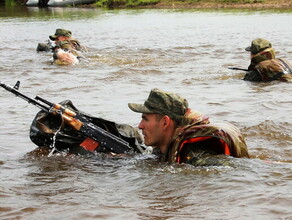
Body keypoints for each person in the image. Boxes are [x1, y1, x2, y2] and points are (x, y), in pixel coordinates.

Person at [128, 88, 249, 165]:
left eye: (145, 119)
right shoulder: (164, 147)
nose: (140, 126)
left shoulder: (192, 154)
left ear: (165, 122)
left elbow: (232, 168)